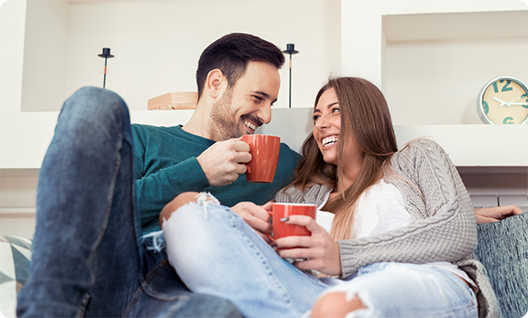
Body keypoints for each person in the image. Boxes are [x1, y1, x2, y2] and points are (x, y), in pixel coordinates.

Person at [159, 77, 500, 318]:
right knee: (184, 210)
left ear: (367, 113)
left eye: (335, 111)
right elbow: (277, 266)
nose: (321, 124)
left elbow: (457, 232)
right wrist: (247, 228)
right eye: (317, 117)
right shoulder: (300, 193)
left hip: (425, 283)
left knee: (337, 307)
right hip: (323, 294)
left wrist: (342, 254)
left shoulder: (415, 158)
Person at [17, 33, 301, 318]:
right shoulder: (142, 139)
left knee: (220, 312)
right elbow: (95, 212)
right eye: (257, 98)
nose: (266, 116)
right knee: (95, 102)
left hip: (184, 296)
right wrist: (199, 170)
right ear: (216, 83)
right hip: (115, 275)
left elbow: (341, 175)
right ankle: (47, 309)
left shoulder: (277, 158)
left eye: (271, 103)